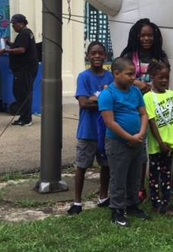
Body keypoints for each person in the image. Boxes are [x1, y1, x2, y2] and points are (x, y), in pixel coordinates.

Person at [120, 18, 169, 202]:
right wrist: (138, 83)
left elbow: (165, 79)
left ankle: (155, 186)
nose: (147, 38)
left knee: (154, 149)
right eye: (143, 35)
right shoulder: (128, 56)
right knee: (137, 150)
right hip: (134, 108)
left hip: (156, 109)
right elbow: (120, 78)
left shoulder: (160, 56)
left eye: (150, 35)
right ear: (137, 36)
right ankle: (136, 187)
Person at [99, 57, 149, 227]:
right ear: (116, 73)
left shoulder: (135, 92)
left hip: (137, 140)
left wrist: (140, 134)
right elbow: (109, 122)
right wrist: (129, 138)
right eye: (129, 74)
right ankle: (117, 211)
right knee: (118, 177)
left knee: (134, 176)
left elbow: (143, 114)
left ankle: (132, 205)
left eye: (133, 74)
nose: (133, 77)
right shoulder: (108, 94)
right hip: (118, 143)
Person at [67, 41, 113, 215]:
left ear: (105, 56)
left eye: (100, 53)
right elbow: (84, 103)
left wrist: (96, 98)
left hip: (106, 130)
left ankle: (103, 197)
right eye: (93, 53)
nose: (97, 56)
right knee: (82, 166)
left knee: (106, 165)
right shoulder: (83, 77)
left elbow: (113, 100)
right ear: (87, 56)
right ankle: (77, 202)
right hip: (87, 131)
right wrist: (104, 102)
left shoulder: (110, 77)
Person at [143, 61, 173, 216]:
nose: (164, 80)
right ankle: (156, 204)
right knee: (155, 176)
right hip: (157, 145)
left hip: (170, 143)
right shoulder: (148, 97)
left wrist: (172, 140)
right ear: (152, 77)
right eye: (160, 77)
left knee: (167, 174)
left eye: (167, 77)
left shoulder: (170, 94)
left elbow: (171, 118)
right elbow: (152, 121)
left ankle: (166, 202)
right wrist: (160, 142)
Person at [0, 14, 38, 127]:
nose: (13, 26)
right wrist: (9, 43)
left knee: (23, 93)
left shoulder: (25, 33)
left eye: (14, 24)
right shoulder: (24, 34)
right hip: (22, 68)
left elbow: (21, 50)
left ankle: (26, 119)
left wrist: (6, 50)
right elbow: (19, 45)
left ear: (21, 23)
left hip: (25, 69)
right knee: (19, 92)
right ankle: (23, 116)